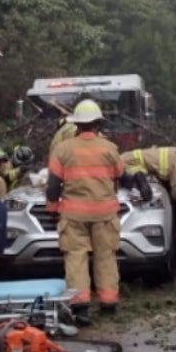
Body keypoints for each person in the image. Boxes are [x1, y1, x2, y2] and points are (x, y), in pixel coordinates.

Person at [46, 99, 137, 325]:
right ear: (98, 124)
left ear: (76, 125)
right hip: (104, 214)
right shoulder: (109, 148)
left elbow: (53, 185)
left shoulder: (62, 149)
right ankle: (108, 303)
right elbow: (123, 177)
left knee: (76, 258)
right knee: (105, 256)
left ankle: (81, 308)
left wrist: (52, 209)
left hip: (73, 215)